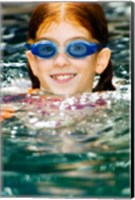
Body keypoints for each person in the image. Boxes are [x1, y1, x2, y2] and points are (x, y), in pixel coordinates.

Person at [25, 2, 115, 96]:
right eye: (47, 49)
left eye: (77, 48)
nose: (60, 62)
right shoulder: (14, 107)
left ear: (101, 60)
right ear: (33, 62)